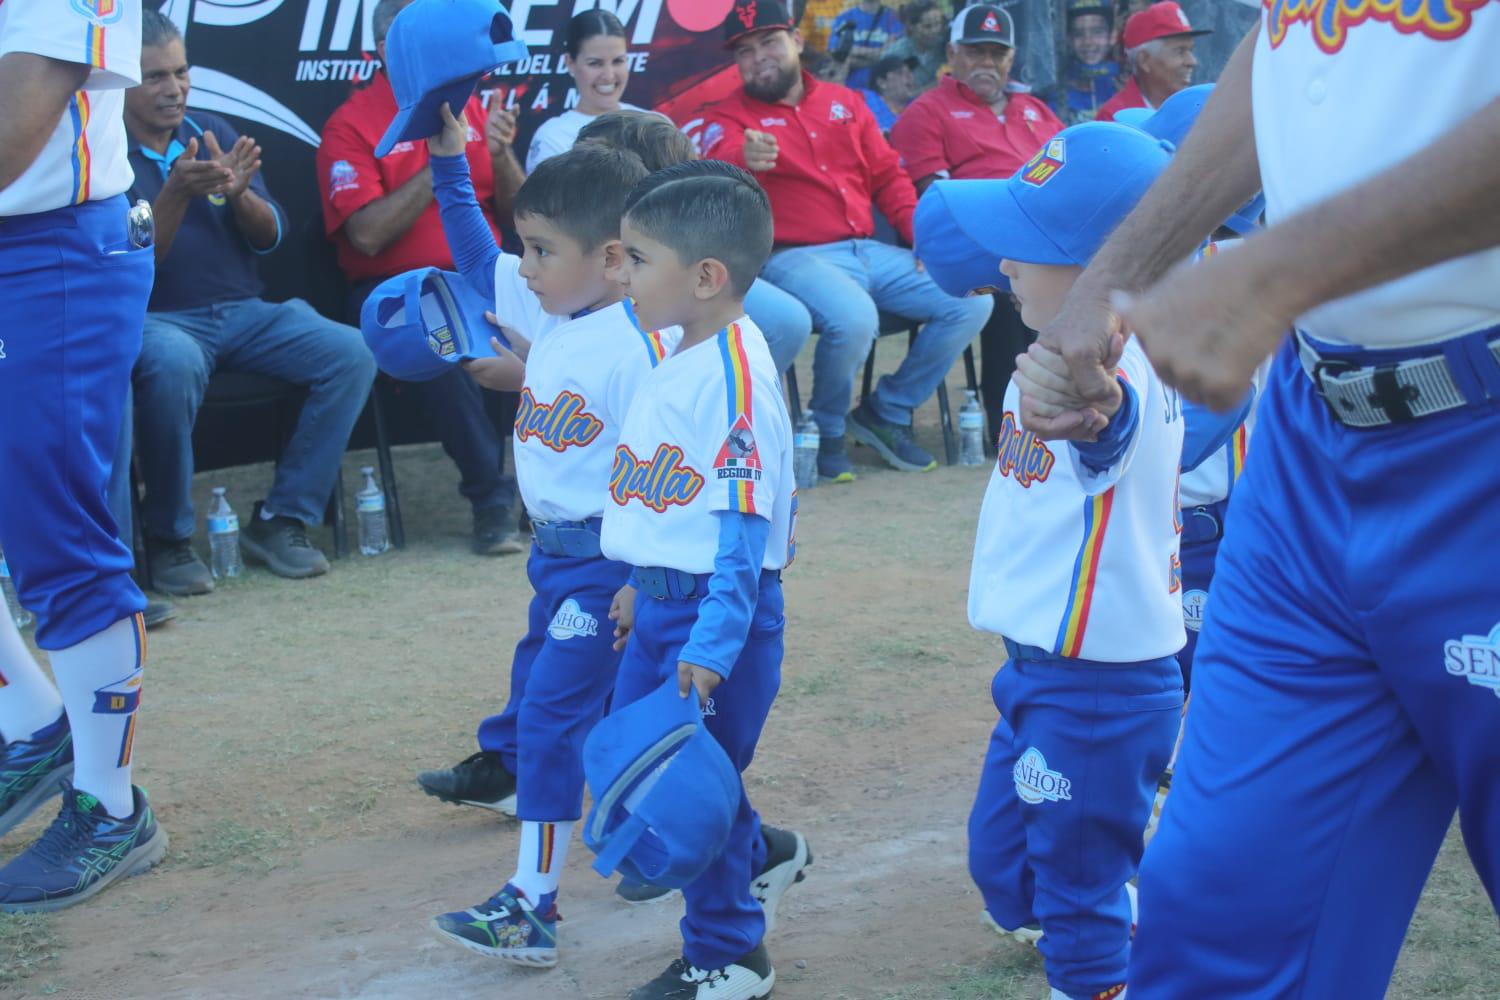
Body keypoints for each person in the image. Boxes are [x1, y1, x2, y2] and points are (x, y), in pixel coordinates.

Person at [1020, 11, 1500, 997]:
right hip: (1310, 439)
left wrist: (1273, 269)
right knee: (1217, 908)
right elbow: (1293, 45)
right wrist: (1112, 278)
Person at [942, 121, 1247, 1000]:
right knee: (1007, 872)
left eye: (1027, 250)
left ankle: (1102, 963)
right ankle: (1125, 920)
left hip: (1098, 684)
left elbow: (1108, 420)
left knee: (1078, 898)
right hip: (1039, 669)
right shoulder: (1055, 356)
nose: (1003, 267)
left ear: (1105, 271)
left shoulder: (1114, 369)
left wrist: (1097, 397)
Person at [411, 125, 665, 967]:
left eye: (541, 249)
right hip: (554, 560)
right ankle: (731, 849)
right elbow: (564, 384)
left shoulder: (637, 344)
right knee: (598, 719)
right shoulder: (564, 322)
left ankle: (532, 904)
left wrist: (635, 576)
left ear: (613, 255)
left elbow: (661, 467)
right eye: (525, 246)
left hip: (605, 563)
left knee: (553, 722)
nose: (524, 266)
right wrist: (527, 374)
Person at [602, 158, 810, 1000]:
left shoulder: (734, 374)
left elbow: (740, 531)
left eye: (637, 259)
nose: (621, 274)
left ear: (707, 276)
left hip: (712, 620)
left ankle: (730, 955)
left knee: (690, 786)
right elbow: (675, 499)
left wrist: (714, 641)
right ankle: (767, 856)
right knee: (648, 768)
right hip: (665, 603)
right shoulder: (685, 344)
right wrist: (639, 579)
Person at [0, 0, 168, 912]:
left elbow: (19, 121)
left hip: (50, 251)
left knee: (54, 535)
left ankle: (110, 807)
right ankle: (30, 728)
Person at [125, 11, 375, 591]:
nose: (174, 88)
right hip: (158, 321)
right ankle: (168, 541)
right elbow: (134, 263)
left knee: (352, 351)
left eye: (181, 71)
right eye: (155, 76)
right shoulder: (105, 153)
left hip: (244, 313)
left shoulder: (210, 129)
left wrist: (240, 197)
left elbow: (270, 238)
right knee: (172, 364)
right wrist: (176, 193)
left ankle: (283, 518)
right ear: (122, 82)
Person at [705, 0, 992, 480]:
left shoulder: (845, 102)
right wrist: (742, 156)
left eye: (769, 42)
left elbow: (889, 177)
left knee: (972, 298)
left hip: (870, 251)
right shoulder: (730, 116)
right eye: (745, 51)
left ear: (796, 42)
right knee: (855, 316)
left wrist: (922, 236)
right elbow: (712, 167)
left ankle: (885, 412)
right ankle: (825, 427)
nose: (759, 58)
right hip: (792, 257)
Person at [318, 0, 525, 556]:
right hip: (401, 289)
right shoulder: (352, 124)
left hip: (484, 274)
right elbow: (365, 234)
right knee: (444, 336)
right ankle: (492, 500)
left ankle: (551, 484)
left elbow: (518, 215)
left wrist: (501, 157)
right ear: (389, 50)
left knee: (562, 319)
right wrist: (441, 166)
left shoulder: (470, 104)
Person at [890, 3, 1063, 438]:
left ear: (1010, 58)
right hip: (976, 245)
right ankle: (1010, 429)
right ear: (952, 52)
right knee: (1016, 288)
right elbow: (937, 202)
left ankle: (1079, 409)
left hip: (1048, 242)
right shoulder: (927, 111)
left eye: (996, 53)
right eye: (975, 51)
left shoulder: (1035, 110)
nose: (987, 62)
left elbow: (1072, 175)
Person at [524, 10, 643, 172]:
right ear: (570, 63)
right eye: (595, 63)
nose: (608, 76)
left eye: (618, 61)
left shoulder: (656, 123)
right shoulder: (552, 137)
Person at [1095, 1, 1208, 122]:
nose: (1192, 61)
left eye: (1190, 50)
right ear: (1144, 61)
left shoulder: (1198, 109)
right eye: (1180, 51)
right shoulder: (1114, 120)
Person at [1044, 0, 1123, 124]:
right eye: (1079, 34)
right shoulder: (1055, 91)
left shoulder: (1124, 85)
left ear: (1112, 36)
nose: (1088, 41)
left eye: (1097, 32)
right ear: (1069, 39)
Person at [828, 0, 905, 89]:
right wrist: (878, 55)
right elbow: (836, 54)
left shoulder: (893, 18)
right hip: (849, 87)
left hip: (882, 91)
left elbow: (893, 54)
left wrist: (853, 52)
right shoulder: (844, 18)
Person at [886, 1, 951, 93]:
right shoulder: (897, 54)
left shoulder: (946, 48)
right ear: (911, 27)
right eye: (927, 26)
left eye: (938, 24)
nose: (935, 31)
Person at [862, 53, 918, 131]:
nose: (910, 76)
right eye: (900, 73)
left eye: (910, 72)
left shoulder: (917, 109)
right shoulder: (865, 100)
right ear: (882, 82)